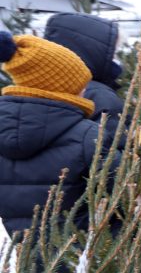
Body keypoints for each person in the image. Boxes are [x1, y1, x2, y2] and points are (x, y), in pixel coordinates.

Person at [0, 31, 123, 236]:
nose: (85, 90)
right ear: (61, 88)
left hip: (28, 257)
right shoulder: (89, 136)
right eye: (80, 85)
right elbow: (122, 191)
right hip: (89, 255)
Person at [43, 12, 126, 148]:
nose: (116, 60)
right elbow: (113, 155)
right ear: (94, 53)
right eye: (113, 53)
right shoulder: (100, 96)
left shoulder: (39, 89)